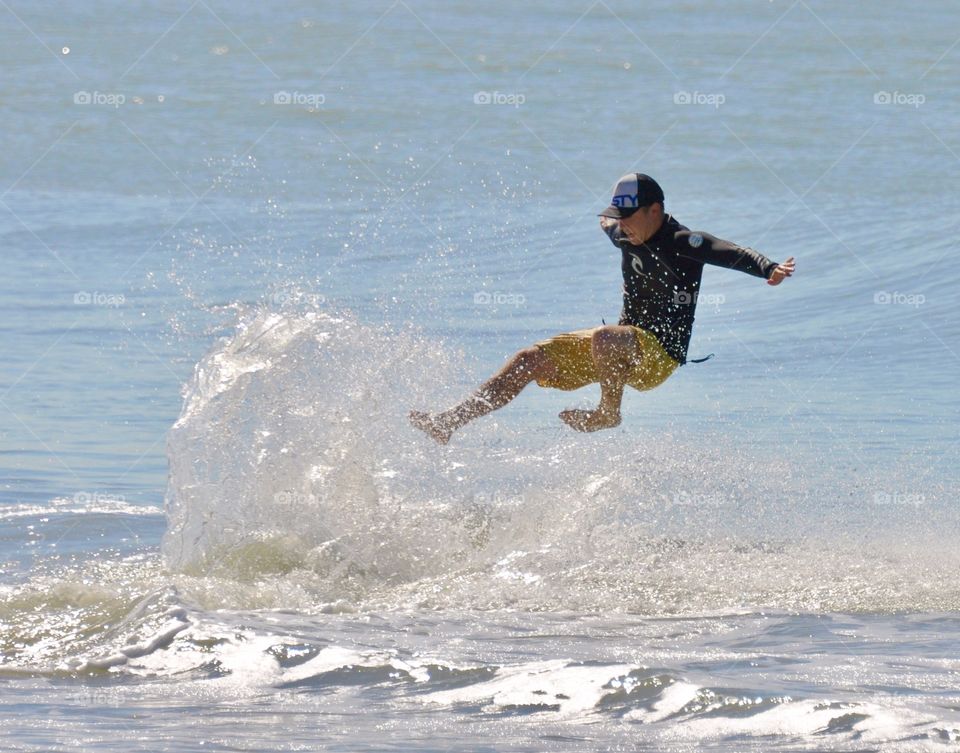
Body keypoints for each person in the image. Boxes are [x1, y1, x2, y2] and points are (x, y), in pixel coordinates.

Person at [410, 172, 796, 444]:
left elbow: (727, 252)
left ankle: (607, 414)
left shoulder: (683, 241)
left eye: (627, 219)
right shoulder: (624, 233)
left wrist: (768, 268)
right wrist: (608, 219)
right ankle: (447, 422)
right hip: (617, 348)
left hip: (658, 355)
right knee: (528, 360)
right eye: (618, 219)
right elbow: (605, 224)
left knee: (609, 336)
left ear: (655, 212)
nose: (620, 228)